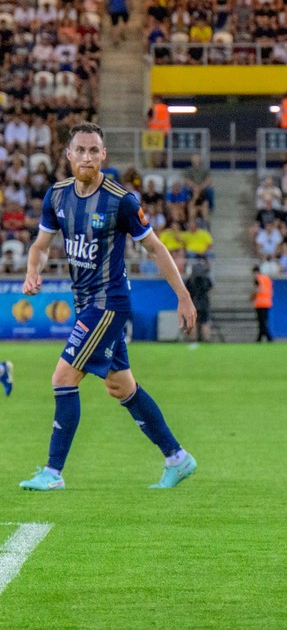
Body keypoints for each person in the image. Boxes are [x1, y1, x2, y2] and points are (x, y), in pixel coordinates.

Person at [18, 122, 198, 492]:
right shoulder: (57, 196)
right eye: (80, 150)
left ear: (104, 156)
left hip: (109, 303)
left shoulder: (121, 200)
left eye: (94, 151)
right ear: (67, 155)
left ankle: (53, 472)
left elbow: (155, 248)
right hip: (85, 301)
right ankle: (177, 458)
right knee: (120, 387)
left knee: (63, 378)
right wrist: (31, 272)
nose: (87, 157)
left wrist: (183, 295)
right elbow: (39, 245)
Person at [185, 261, 213, 342]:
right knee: (205, 322)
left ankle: (193, 340)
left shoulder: (190, 280)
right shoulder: (206, 279)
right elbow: (210, 291)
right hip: (204, 303)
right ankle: (206, 339)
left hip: (193, 303)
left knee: (194, 323)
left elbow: (187, 292)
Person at [252, 265, 274, 342]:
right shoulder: (267, 278)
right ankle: (260, 339)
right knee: (263, 321)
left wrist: (252, 296)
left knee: (261, 322)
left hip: (260, 303)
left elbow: (258, 289)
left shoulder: (258, 279)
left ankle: (268, 338)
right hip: (267, 302)